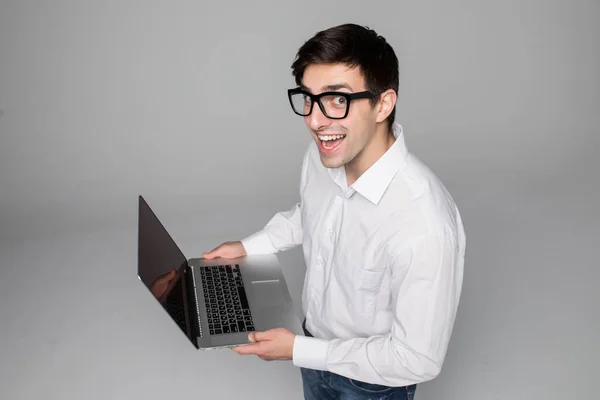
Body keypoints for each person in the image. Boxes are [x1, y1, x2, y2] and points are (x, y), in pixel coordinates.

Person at [202, 23, 466, 400]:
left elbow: (417, 358)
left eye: (337, 99)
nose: (314, 120)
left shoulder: (424, 224)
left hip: (373, 385)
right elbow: (310, 212)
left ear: (384, 104)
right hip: (312, 347)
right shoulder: (325, 154)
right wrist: (250, 247)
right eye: (308, 98)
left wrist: (296, 350)